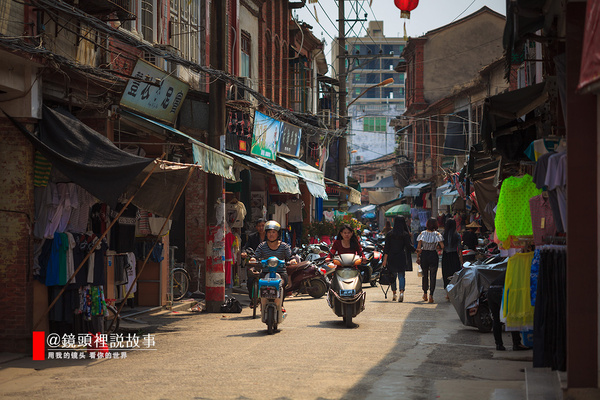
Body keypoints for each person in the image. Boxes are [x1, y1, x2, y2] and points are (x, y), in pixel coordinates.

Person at [251, 220, 295, 307]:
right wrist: (253, 259)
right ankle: (260, 301)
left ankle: (281, 305)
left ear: (278, 234)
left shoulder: (284, 246)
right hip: (265, 272)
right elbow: (256, 256)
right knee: (259, 282)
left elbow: (290, 257)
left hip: (281, 272)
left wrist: (292, 260)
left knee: (282, 284)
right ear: (266, 234)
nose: (271, 234)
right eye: (269, 232)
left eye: (274, 232)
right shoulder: (262, 246)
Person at [488, 271, 532, 351]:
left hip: (491, 290)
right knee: (512, 316)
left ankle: (499, 345)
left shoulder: (509, 271)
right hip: (501, 291)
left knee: (496, 319)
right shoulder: (518, 272)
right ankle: (516, 343)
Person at [382, 216, 413, 302]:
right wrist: (417, 250)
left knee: (393, 276)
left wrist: (385, 260)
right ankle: (402, 293)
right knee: (401, 275)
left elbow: (386, 249)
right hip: (401, 256)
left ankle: (394, 294)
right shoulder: (405, 234)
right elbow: (409, 247)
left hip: (391, 257)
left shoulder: (389, 234)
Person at [416, 218, 444, 303]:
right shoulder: (437, 234)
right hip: (433, 255)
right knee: (433, 276)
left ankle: (425, 293)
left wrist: (418, 257)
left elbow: (418, 248)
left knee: (425, 275)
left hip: (424, 255)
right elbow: (442, 246)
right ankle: (431, 295)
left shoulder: (422, 233)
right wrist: (437, 247)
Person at [241, 219, 266, 304]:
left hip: (267, 261)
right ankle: (253, 298)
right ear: (256, 227)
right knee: (251, 279)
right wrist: (244, 252)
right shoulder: (252, 237)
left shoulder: (270, 236)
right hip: (255, 261)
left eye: (263, 225)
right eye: (259, 226)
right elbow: (246, 246)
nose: (261, 228)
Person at [441, 219, 463, 300]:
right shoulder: (457, 235)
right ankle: (453, 292)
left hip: (446, 256)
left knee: (446, 274)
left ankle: (448, 294)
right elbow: (460, 249)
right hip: (454, 256)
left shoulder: (443, 234)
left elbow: (441, 246)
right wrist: (462, 260)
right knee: (454, 274)